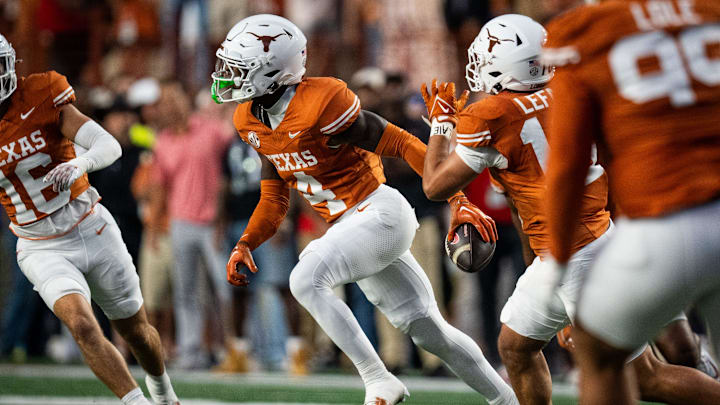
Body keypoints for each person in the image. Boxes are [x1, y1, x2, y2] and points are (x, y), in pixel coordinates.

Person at [213, 14, 518, 405]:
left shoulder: (322, 101)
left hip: (379, 212)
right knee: (429, 331)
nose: (228, 75)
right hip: (349, 227)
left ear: (273, 72)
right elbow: (274, 198)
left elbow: (402, 142)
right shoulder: (247, 119)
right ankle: (506, 400)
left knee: (305, 277)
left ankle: (378, 378)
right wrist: (246, 242)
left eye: (241, 68)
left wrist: (457, 199)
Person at [419, 13, 720, 405]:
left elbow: (434, 186)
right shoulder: (567, 89)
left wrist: (440, 124)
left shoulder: (491, 115)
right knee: (515, 345)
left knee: (644, 377)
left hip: (580, 252)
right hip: (587, 239)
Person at [541, 1, 720, 404]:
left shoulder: (587, 31)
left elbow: (568, 164)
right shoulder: (710, 12)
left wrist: (558, 256)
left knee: (598, 347)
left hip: (670, 221)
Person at [0, 34, 178, 405]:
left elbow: (108, 145)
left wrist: (79, 162)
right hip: (39, 245)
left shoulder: (40, 93)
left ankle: (164, 395)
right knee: (82, 324)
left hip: (89, 224)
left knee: (136, 330)